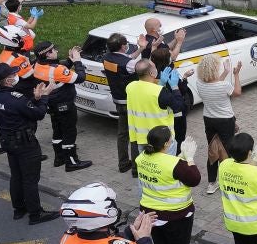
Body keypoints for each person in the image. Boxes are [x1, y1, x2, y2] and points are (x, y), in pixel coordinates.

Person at [0, 62, 61, 223]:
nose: (16, 77)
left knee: (16, 176)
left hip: (8, 141)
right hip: (25, 144)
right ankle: (36, 214)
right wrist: (45, 96)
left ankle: (19, 209)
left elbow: (21, 111)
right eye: (12, 75)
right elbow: (39, 114)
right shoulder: (16, 98)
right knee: (30, 179)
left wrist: (35, 99)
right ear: (7, 81)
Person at [135, 125, 200, 244]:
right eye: (170, 139)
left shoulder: (141, 157)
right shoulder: (174, 163)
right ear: (165, 144)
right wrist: (189, 158)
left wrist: (182, 158)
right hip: (176, 216)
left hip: (151, 214)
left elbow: (164, 172)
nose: (172, 141)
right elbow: (194, 178)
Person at [32, 40, 92, 171]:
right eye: (53, 50)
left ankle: (59, 158)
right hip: (64, 104)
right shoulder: (58, 70)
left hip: (51, 104)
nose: (57, 51)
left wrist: (69, 61)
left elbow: (57, 70)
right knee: (69, 132)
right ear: (47, 54)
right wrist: (77, 61)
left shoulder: (37, 65)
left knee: (57, 130)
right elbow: (81, 77)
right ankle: (71, 162)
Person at [197, 53, 241, 194]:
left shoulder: (199, 83)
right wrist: (236, 74)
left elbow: (214, 84)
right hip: (225, 121)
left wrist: (226, 72)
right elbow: (237, 92)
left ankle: (211, 183)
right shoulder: (224, 85)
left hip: (209, 120)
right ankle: (229, 180)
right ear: (214, 69)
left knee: (212, 149)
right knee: (228, 150)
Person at [126, 59, 183, 163]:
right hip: (163, 140)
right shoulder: (160, 92)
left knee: (147, 167)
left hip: (142, 139)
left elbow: (148, 97)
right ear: (152, 73)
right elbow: (178, 106)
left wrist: (161, 83)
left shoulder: (130, 87)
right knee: (166, 167)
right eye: (154, 67)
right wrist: (175, 86)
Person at [102, 33, 144, 174]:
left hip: (117, 100)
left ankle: (123, 163)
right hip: (130, 102)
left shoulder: (107, 58)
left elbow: (126, 59)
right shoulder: (129, 64)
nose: (127, 46)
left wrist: (140, 49)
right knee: (135, 134)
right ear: (122, 46)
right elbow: (139, 67)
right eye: (126, 44)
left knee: (122, 134)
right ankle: (136, 168)